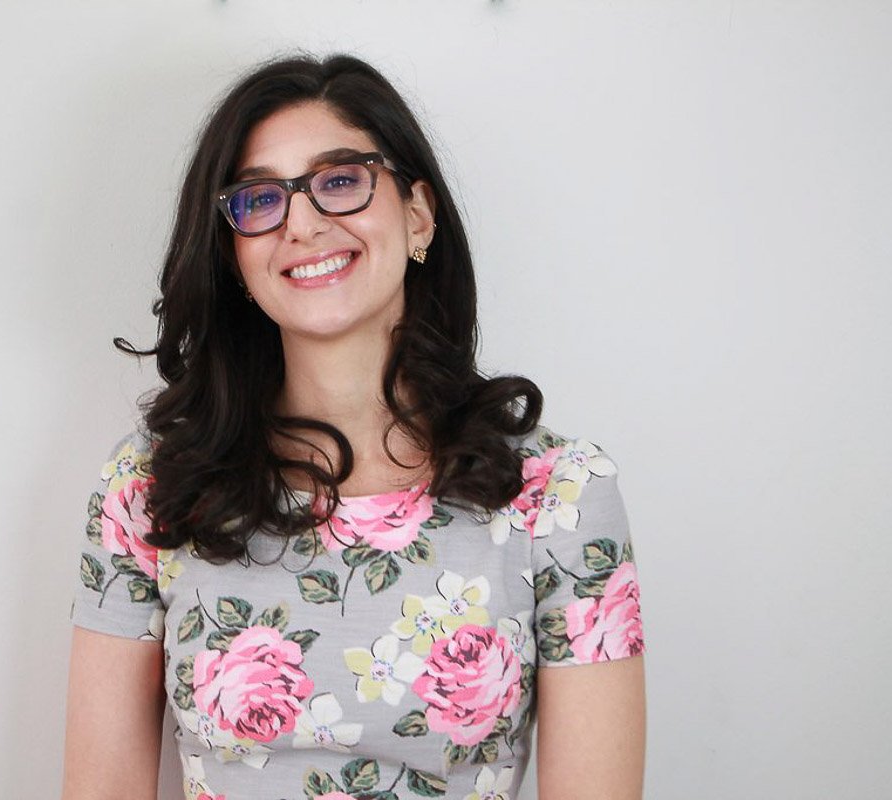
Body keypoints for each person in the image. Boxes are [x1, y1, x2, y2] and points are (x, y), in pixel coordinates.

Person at [62, 54, 645, 800]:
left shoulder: (559, 494)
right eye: (260, 199)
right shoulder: (148, 488)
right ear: (236, 256)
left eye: (340, 181)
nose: (302, 223)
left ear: (418, 215)